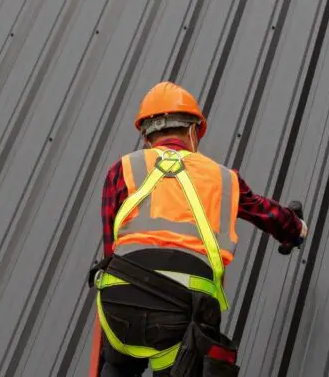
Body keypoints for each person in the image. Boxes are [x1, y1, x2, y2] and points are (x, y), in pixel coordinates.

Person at [89, 81, 309, 377]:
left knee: (118, 362)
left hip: (121, 300)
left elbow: (110, 247)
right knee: (181, 360)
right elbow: (265, 212)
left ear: (146, 135)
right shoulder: (221, 177)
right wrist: (296, 229)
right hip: (183, 310)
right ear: (193, 131)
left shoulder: (124, 168)